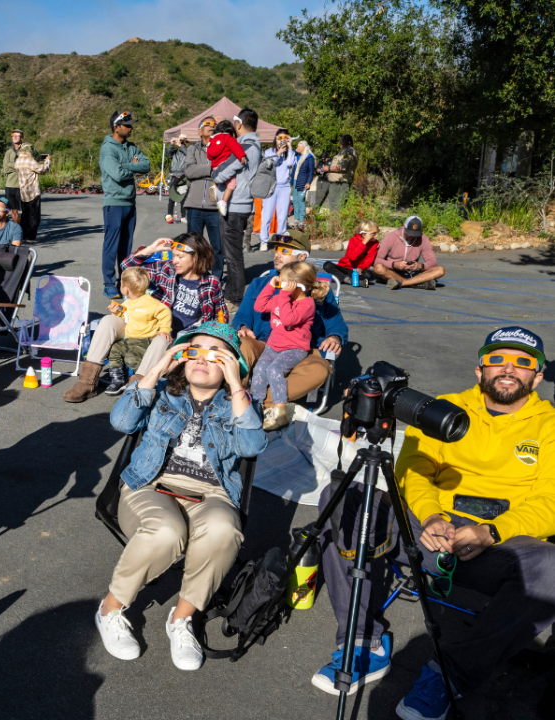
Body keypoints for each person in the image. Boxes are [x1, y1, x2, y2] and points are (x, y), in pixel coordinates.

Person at [311, 326, 555, 720]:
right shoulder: (445, 407)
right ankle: (363, 643)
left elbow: (551, 499)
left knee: (553, 569)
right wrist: (430, 514)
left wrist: (491, 531)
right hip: (428, 527)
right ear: (480, 370)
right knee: (343, 500)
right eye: (497, 360)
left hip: (501, 541)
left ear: (537, 376)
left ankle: (449, 675)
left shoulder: (550, 426)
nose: (508, 369)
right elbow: (414, 466)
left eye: (522, 362)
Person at [94, 322, 267, 671]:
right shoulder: (160, 391)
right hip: (151, 483)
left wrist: (236, 386)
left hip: (210, 492)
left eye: (216, 354)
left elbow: (252, 446)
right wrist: (157, 367)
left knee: (223, 530)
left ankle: (182, 617)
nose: (202, 359)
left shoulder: (240, 404)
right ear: (181, 359)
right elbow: (122, 421)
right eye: (193, 351)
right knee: (166, 531)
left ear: (232, 365)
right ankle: (110, 609)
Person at [64, 232, 229, 403]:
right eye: (173, 256)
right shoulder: (166, 270)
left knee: (162, 340)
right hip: (145, 323)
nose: (174, 260)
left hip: (175, 337)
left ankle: (136, 388)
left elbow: (221, 315)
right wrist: (150, 250)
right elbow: (127, 267)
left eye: (180, 256)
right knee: (108, 321)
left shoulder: (211, 283)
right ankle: (87, 382)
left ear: (196, 257)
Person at [233, 230, 347, 414]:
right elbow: (242, 315)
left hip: (301, 351)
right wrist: (243, 327)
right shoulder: (260, 283)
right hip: (265, 345)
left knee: (319, 370)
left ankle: (255, 402)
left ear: (301, 257)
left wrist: (335, 336)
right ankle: (237, 391)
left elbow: (335, 322)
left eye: (285, 251)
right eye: (277, 249)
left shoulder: (316, 291)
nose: (277, 254)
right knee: (242, 345)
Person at [250, 261, 330, 431]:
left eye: (282, 282)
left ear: (297, 286)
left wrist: (284, 295)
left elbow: (288, 320)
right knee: (260, 369)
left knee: (274, 370)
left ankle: (280, 413)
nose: (279, 284)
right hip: (273, 346)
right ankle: (255, 407)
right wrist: (271, 289)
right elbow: (259, 306)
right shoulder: (280, 297)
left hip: (295, 348)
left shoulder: (307, 304)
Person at [212, 108, 263, 310]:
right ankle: (232, 292)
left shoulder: (247, 146)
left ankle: (235, 298)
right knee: (231, 251)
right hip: (236, 203)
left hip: (236, 205)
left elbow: (226, 169)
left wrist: (215, 175)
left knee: (233, 254)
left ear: (239, 124)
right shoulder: (252, 144)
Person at [99, 111, 150, 299]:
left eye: (131, 125)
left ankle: (124, 281)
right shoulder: (108, 149)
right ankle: (108, 283)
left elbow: (146, 165)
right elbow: (118, 175)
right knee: (111, 246)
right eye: (127, 125)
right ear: (116, 127)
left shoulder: (131, 146)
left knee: (126, 247)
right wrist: (132, 166)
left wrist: (126, 166)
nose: (131, 128)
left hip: (130, 203)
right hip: (114, 203)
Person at [103, 267, 172, 396]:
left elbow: (165, 313)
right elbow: (127, 318)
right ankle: (118, 379)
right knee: (114, 349)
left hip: (146, 340)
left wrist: (164, 329)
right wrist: (117, 314)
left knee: (131, 358)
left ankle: (142, 379)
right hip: (129, 339)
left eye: (121, 285)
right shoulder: (129, 303)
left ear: (126, 289)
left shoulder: (151, 303)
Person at [182, 117, 225, 277]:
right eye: (207, 124)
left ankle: (216, 278)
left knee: (217, 246)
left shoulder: (222, 149)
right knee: (193, 246)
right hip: (194, 205)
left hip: (215, 206)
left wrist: (203, 171)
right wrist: (212, 169)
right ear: (199, 131)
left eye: (214, 125)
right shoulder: (193, 149)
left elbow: (223, 173)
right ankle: (194, 275)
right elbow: (189, 171)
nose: (211, 126)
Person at [372, 216, 445, 290]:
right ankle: (416, 284)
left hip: (413, 273)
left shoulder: (423, 239)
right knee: (378, 268)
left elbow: (433, 263)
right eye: (409, 233)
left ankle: (403, 283)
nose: (411, 236)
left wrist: (420, 266)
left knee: (440, 270)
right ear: (404, 226)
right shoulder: (391, 237)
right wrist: (394, 264)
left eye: (415, 234)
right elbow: (377, 261)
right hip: (392, 272)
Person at [259, 129, 297, 252]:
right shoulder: (269, 151)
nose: (282, 140)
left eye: (285, 137)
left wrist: (289, 147)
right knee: (267, 215)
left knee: (282, 216)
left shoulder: (290, 153)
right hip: (271, 185)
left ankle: (280, 241)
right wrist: (279, 153)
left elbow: (290, 164)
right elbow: (268, 165)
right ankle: (264, 241)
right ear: (275, 139)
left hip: (284, 187)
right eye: (279, 137)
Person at [207, 119, 247, 217]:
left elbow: (209, 156)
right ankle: (223, 202)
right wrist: (242, 155)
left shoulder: (212, 140)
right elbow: (236, 147)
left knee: (219, 177)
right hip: (224, 166)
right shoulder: (229, 138)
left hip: (214, 167)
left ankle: (215, 186)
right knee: (232, 184)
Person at [13, 143, 51, 242]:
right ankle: (31, 236)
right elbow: (43, 169)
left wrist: (38, 160)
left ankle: (24, 235)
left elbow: (32, 168)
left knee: (25, 215)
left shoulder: (17, 161)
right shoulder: (29, 161)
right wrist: (47, 160)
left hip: (23, 193)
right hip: (33, 192)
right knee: (34, 216)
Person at [323, 221, 380, 286]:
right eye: (374, 233)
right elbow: (353, 257)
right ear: (364, 234)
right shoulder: (353, 240)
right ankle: (347, 280)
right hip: (345, 268)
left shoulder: (374, 243)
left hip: (356, 271)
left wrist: (361, 268)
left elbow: (369, 260)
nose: (377, 236)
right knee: (327, 265)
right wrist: (364, 243)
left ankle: (340, 278)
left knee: (368, 274)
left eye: (377, 232)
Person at [314, 134, 358, 212]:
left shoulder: (348, 152)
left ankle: (335, 223)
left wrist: (329, 168)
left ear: (347, 142)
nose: (340, 143)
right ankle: (334, 222)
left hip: (340, 183)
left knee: (337, 205)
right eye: (340, 141)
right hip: (337, 182)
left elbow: (342, 166)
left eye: (342, 141)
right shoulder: (345, 150)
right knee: (334, 205)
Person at [164, 134, 190, 224]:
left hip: (183, 176)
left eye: (183, 141)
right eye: (181, 141)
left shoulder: (188, 150)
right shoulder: (174, 152)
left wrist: (180, 145)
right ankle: (169, 215)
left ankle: (183, 216)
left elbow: (188, 154)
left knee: (182, 197)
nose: (182, 143)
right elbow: (167, 155)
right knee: (172, 197)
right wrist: (171, 145)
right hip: (174, 175)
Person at [2, 129, 25, 225]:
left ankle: (26, 231)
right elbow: (5, 169)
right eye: (13, 135)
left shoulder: (26, 151)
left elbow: (26, 167)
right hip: (10, 186)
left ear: (22, 138)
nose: (14, 136)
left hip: (23, 186)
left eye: (17, 134)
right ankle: (18, 233)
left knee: (26, 212)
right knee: (14, 211)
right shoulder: (8, 152)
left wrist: (11, 165)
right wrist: (18, 166)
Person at [291, 140, 315, 226]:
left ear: (304, 147)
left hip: (303, 181)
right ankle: (296, 218)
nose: (297, 148)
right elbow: (294, 169)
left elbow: (311, 171)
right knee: (295, 200)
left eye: (299, 146)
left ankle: (302, 219)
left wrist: (308, 182)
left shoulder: (309, 157)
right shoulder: (297, 156)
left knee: (301, 200)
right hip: (295, 180)